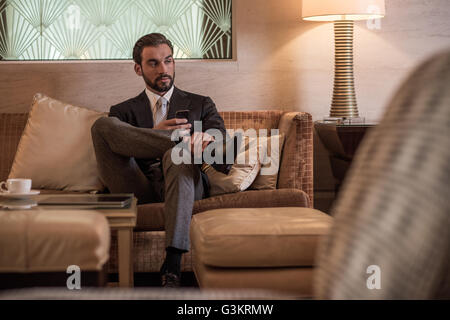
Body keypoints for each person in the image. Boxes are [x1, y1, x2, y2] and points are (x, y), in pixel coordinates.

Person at [91, 33, 233, 288]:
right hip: (139, 186)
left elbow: (224, 153)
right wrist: (158, 134)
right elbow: (120, 155)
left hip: (186, 184)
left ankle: (174, 262)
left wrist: (207, 141)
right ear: (138, 68)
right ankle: (177, 142)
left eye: (168, 61)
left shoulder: (201, 103)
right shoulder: (122, 111)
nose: (163, 69)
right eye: (153, 63)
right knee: (102, 126)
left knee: (177, 155)